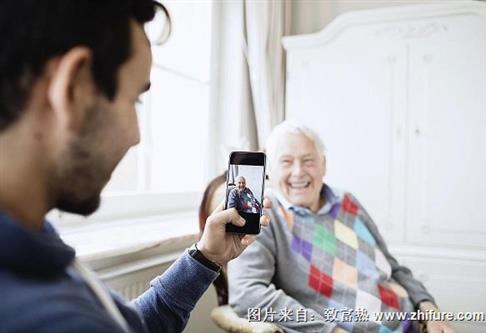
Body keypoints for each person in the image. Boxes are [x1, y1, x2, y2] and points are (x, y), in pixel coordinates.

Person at [0, 1, 270, 332]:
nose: (136, 136)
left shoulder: (30, 234)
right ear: (72, 88)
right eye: (133, 99)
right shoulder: (56, 318)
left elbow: (128, 325)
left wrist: (206, 258)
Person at [228, 121, 454, 333]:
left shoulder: (348, 201)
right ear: (270, 170)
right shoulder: (263, 216)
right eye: (286, 162)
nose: (298, 171)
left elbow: (393, 268)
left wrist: (428, 308)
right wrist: (329, 330)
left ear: (323, 165)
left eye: (308, 160)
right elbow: (247, 294)